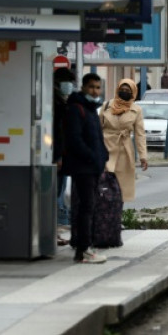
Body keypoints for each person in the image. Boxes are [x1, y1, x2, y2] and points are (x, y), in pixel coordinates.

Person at [63, 73, 109, 264]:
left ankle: (85, 247)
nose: (95, 91)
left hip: (93, 166)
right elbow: (74, 139)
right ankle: (83, 250)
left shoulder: (91, 109)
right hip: (83, 167)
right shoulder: (76, 109)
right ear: (83, 87)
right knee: (86, 207)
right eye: (91, 87)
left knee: (89, 207)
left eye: (98, 88)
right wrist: (92, 157)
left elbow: (97, 138)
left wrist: (103, 156)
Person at [98, 78, 148, 246]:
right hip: (105, 149)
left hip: (124, 151)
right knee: (103, 186)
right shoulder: (106, 106)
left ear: (133, 92)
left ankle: (116, 218)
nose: (124, 91)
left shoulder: (136, 110)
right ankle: (101, 216)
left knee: (121, 188)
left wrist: (143, 156)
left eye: (128, 89)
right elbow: (97, 128)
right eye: (122, 88)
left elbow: (140, 134)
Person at [53, 67, 75, 246]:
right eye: (68, 83)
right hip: (57, 156)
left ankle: (52, 232)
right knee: (55, 194)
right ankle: (51, 233)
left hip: (62, 156)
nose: (70, 87)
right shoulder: (55, 101)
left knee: (58, 193)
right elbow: (57, 132)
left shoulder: (60, 99)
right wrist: (59, 156)